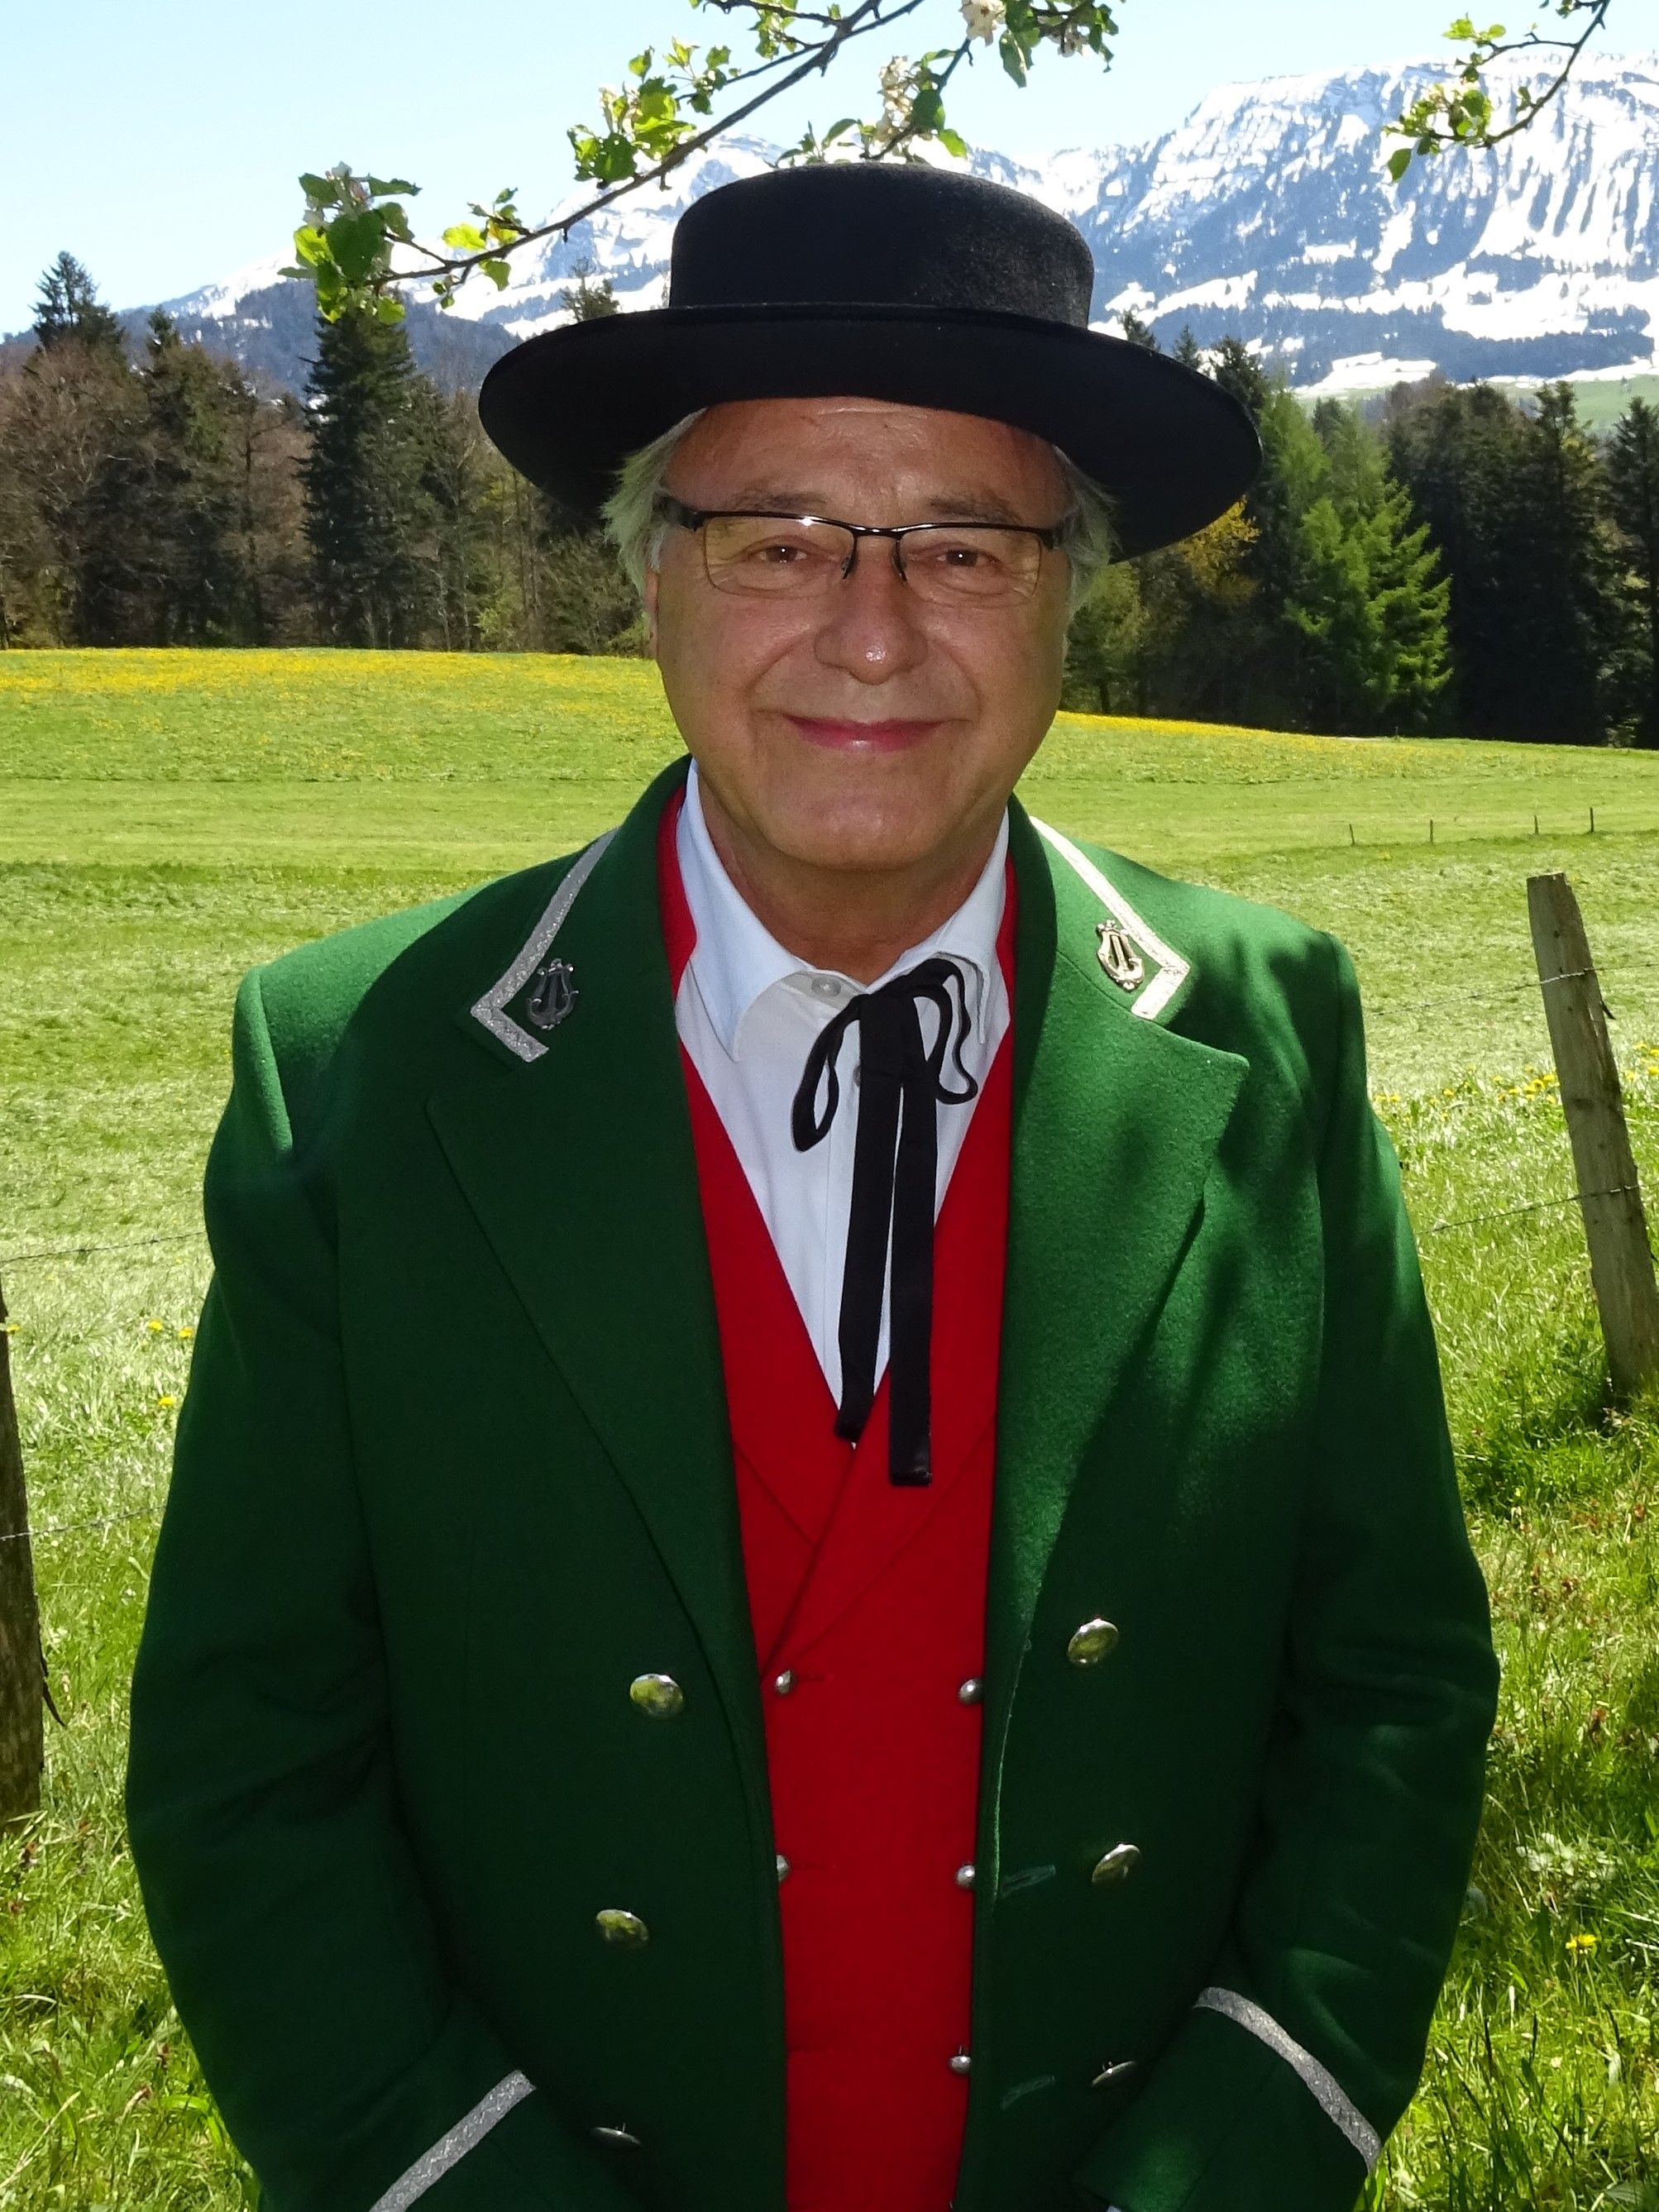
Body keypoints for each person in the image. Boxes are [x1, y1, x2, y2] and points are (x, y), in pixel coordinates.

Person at [127, 163, 1499, 2212]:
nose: (873, 633)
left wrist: (1235, 2157)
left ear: (1067, 598)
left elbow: (1389, 1683)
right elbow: (249, 1762)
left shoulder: (1273, 1034)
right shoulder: (361, 1071)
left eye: (966, 548)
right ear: (647, 579)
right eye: (777, 542)